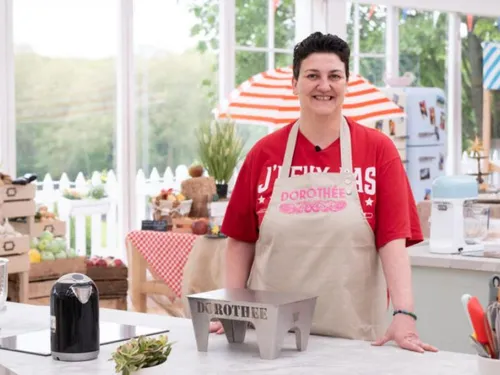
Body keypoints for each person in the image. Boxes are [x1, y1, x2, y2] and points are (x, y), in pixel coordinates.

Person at [211, 32, 437, 354]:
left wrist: (404, 314)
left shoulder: (377, 150)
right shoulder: (264, 154)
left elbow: (392, 241)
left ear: (346, 84)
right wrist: (231, 307)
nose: (324, 85)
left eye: (334, 76)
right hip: (272, 334)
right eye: (312, 76)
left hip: (354, 335)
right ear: (294, 84)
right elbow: (240, 241)